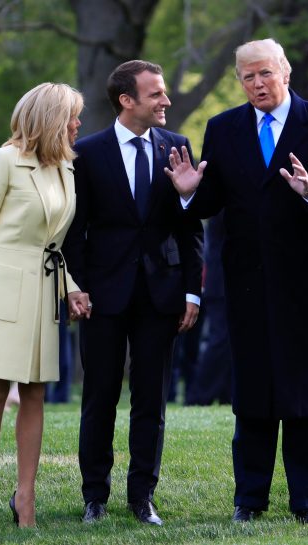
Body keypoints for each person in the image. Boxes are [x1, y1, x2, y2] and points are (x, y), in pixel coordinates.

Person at [164, 38, 308, 525]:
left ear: (286, 71)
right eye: (248, 76)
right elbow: (213, 201)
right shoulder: (223, 128)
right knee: (252, 396)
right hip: (246, 285)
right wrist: (188, 195)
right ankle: (249, 500)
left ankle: (306, 500)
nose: (257, 84)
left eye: (265, 73)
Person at [61, 60, 204, 527]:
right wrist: (76, 287)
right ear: (127, 100)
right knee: (99, 397)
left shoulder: (177, 147)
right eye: (156, 94)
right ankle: (94, 497)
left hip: (162, 296)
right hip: (102, 296)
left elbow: (190, 230)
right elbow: (74, 233)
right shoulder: (88, 153)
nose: (166, 101)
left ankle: (142, 497)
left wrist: (193, 293)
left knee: (151, 400)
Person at [0, 82, 90, 528]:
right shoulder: (3, 160)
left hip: (44, 294)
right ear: (51, 117)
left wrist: (71, 288)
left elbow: (52, 245)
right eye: (72, 115)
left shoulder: (66, 168)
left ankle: (25, 499)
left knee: (35, 393)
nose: (78, 124)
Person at [184, 211, 233, 406]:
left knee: (227, 342)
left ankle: (226, 394)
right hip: (220, 283)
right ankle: (199, 396)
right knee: (220, 340)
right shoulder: (222, 205)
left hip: (224, 282)